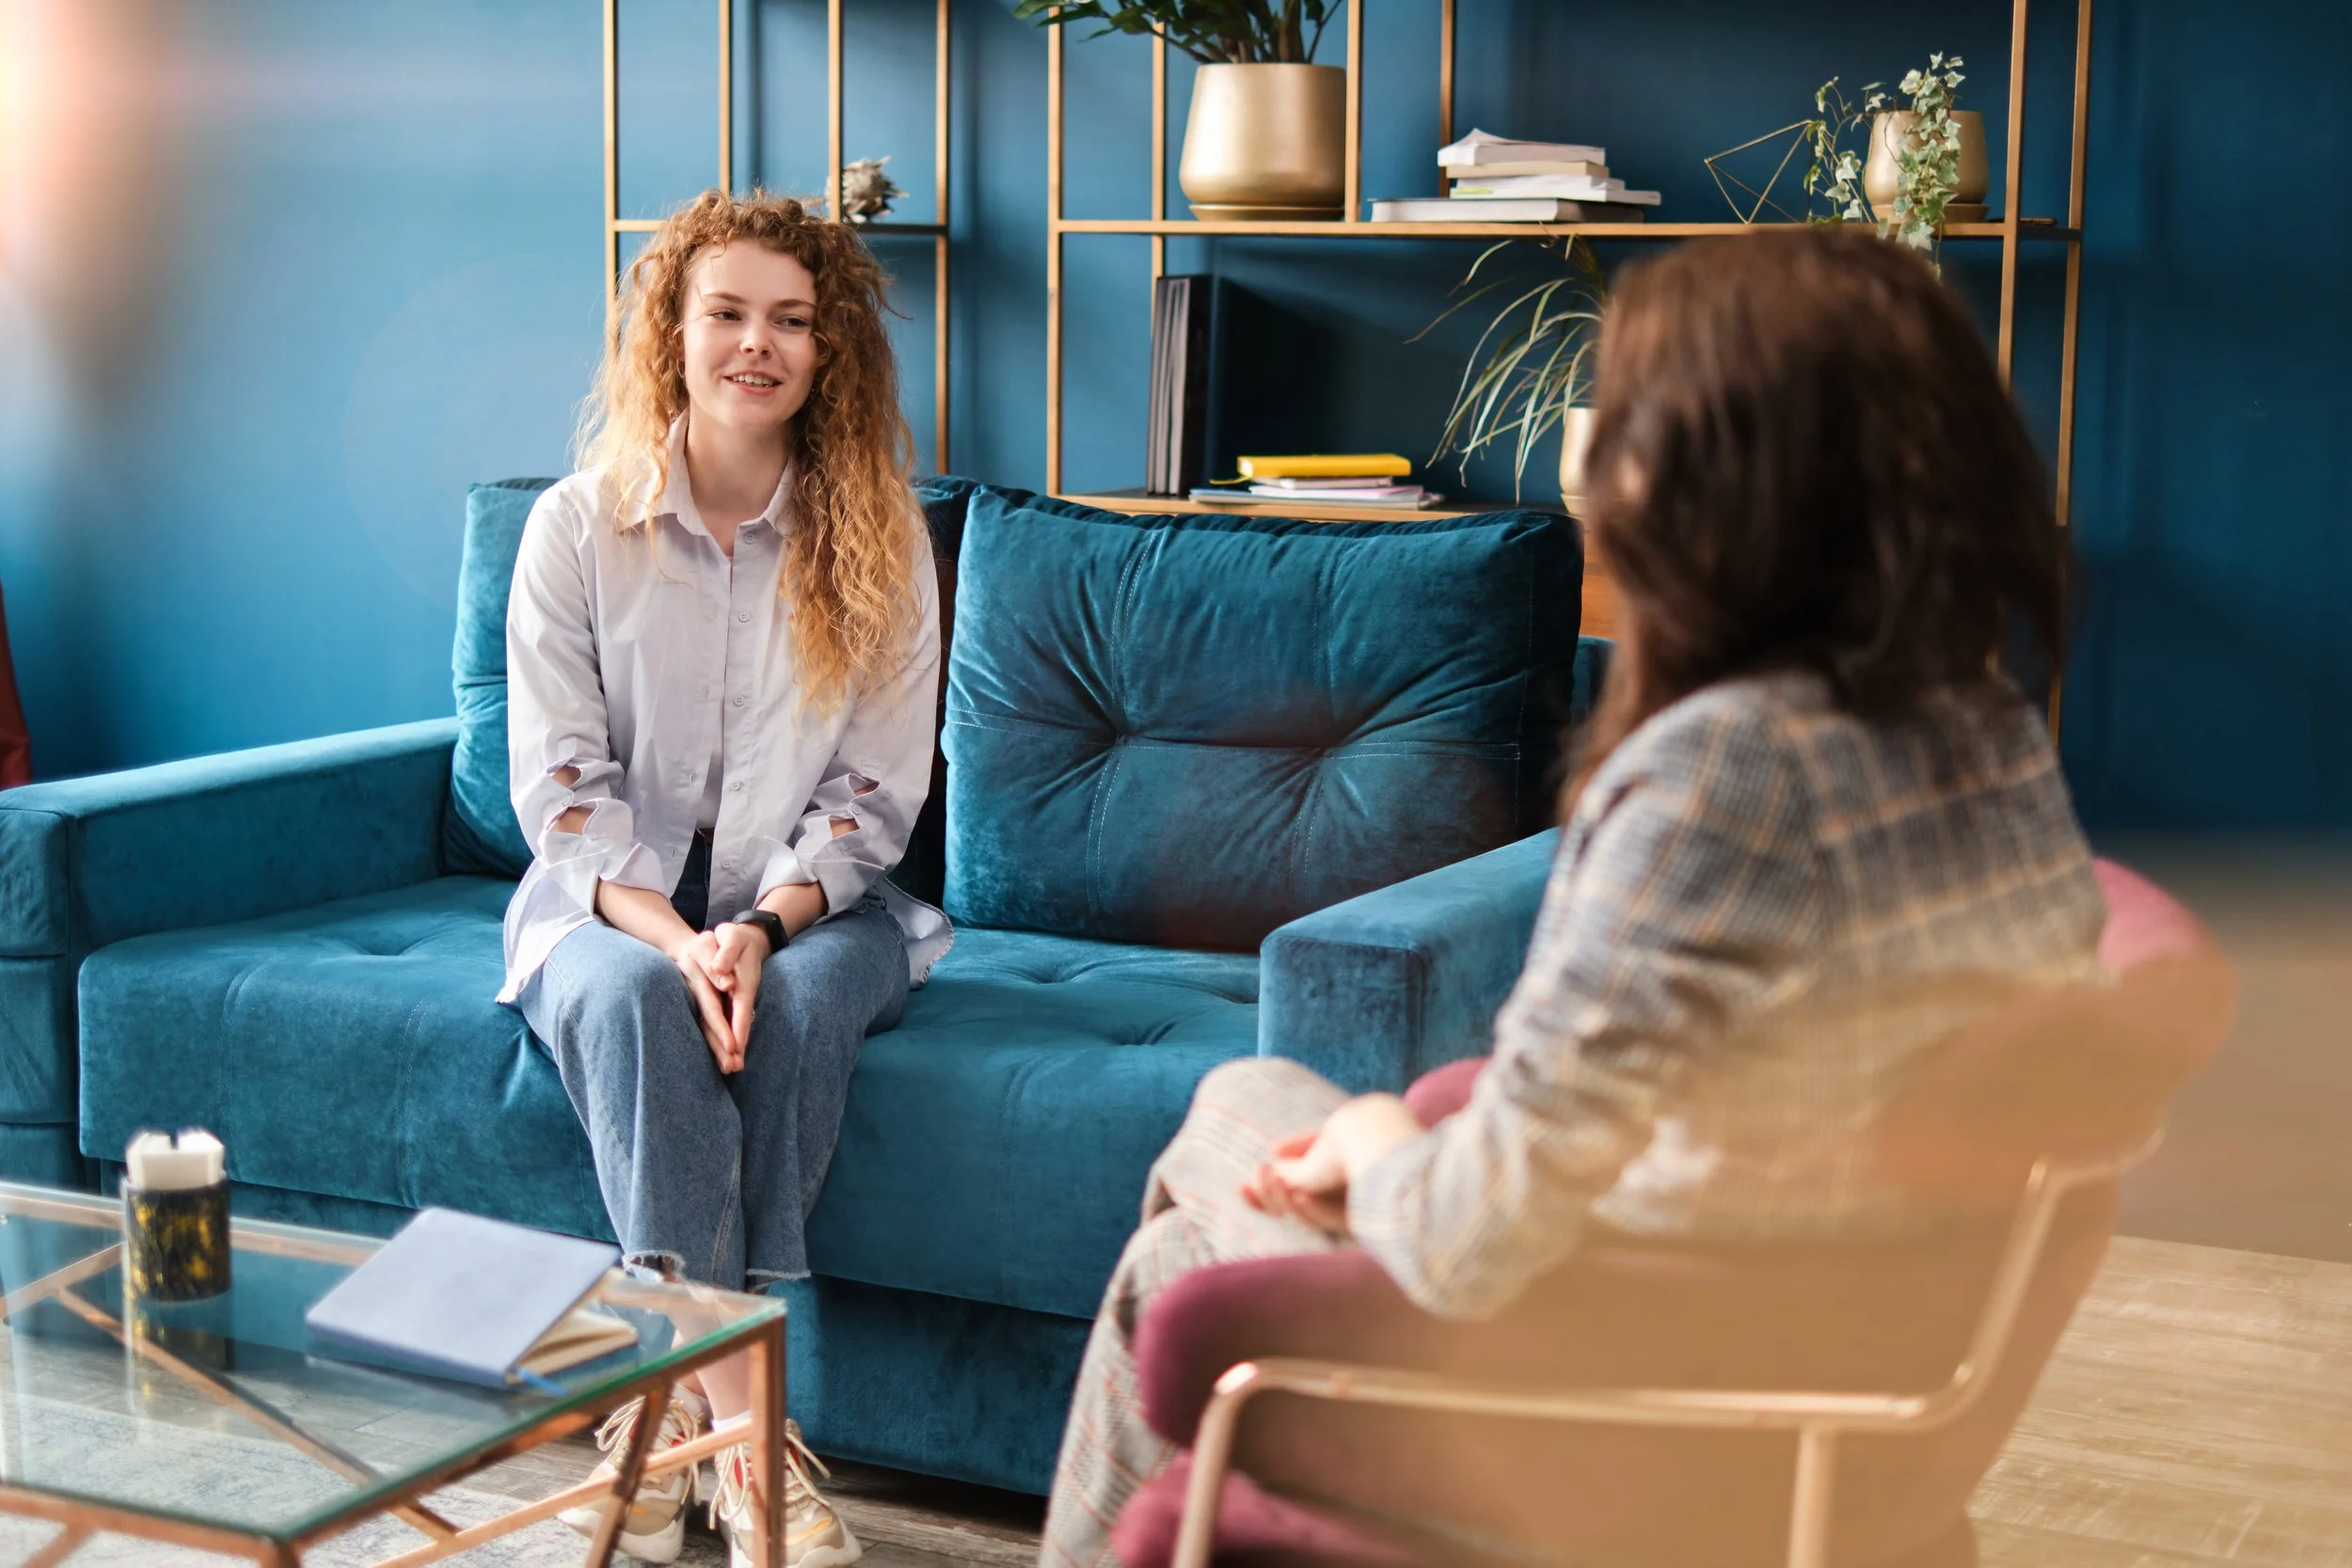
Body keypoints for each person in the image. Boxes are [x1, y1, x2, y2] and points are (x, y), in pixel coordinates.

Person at [1039, 227, 2107, 1565]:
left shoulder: (1726, 770)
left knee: (1178, 1259)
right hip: (1816, 1315)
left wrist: (1375, 1142)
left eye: (1627, 419)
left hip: (1643, 1365)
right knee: (1234, 1105)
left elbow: (1474, 1240)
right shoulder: (1980, 723)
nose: (1591, 460)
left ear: (1730, 478)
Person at [501, 188, 947, 1568]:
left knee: (799, 1011)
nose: (759, 344)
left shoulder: (880, 539)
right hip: (605, 912)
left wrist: (752, 929)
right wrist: (676, 938)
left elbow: (874, 801)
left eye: (793, 321)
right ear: (673, 334)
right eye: (729, 314)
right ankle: (743, 1434)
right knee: (641, 1006)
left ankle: (650, 1420)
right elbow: (563, 801)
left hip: (821, 911)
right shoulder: (576, 530)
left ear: (830, 352)